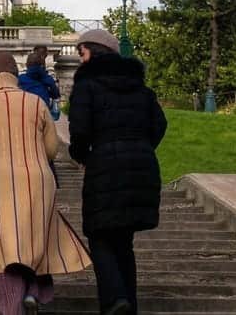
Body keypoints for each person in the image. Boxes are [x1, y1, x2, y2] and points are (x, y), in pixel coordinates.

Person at [0, 52, 91, 314]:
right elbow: (51, 149)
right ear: (15, 74)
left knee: (1, 248)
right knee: (34, 236)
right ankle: (33, 289)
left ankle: (13, 306)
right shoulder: (36, 102)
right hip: (38, 179)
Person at [68, 30, 167, 315]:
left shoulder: (87, 87)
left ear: (93, 52)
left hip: (104, 164)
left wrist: (82, 155)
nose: (80, 58)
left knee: (99, 234)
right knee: (124, 241)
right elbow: (159, 124)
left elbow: (80, 130)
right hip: (142, 169)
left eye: (82, 52)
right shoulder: (141, 88)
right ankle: (127, 305)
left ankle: (114, 299)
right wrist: (141, 148)